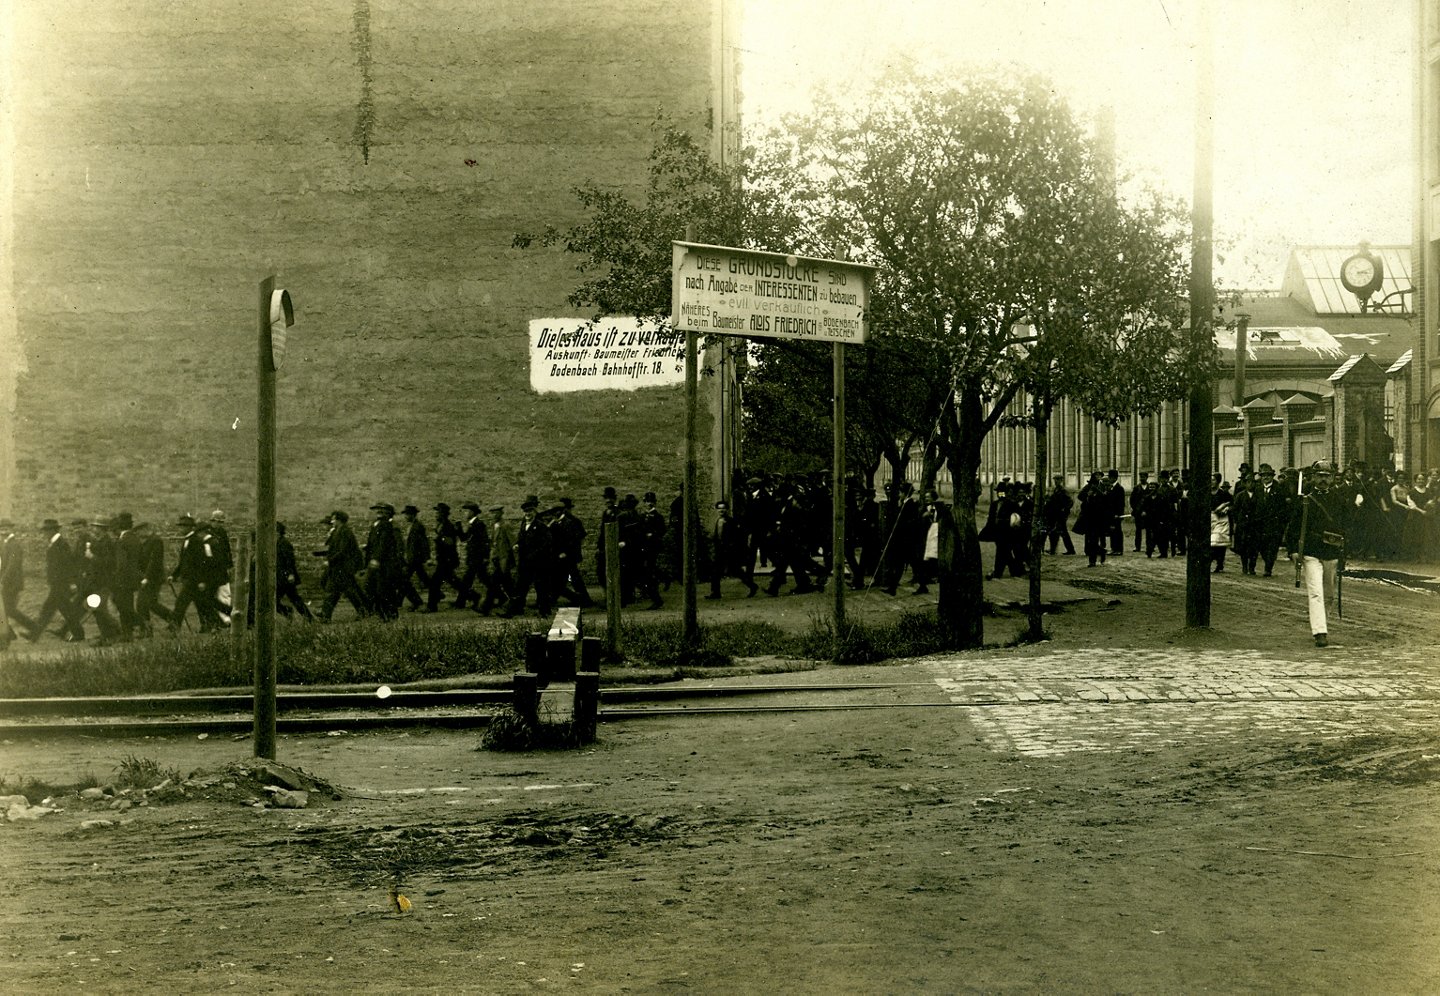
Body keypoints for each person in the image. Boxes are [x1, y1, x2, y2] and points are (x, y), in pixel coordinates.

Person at [1284, 460, 1356, 648]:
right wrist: (1292, 550)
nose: (1323, 479)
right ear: (1313, 477)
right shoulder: (1305, 500)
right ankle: (1320, 632)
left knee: (1329, 594)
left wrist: (1343, 554)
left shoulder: (1340, 500)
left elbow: (1347, 529)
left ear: (1332, 478)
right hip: (1310, 552)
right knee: (1315, 592)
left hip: (1332, 551)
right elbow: (1293, 527)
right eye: (1319, 476)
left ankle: (1322, 622)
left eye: (1327, 476)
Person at [29, 518, 85, 642]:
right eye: (44, 530)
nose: (44, 533)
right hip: (56, 583)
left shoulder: (61, 544)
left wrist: (71, 582)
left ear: (53, 531)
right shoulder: (54, 543)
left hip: (61, 583)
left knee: (63, 610)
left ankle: (79, 634)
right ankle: (34, 635)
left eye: (46, 530)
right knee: (49, 609)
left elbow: (68, 565)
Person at [170, 514, 223, 633]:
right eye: (180, 526)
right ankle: (211, 625)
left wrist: (202, 580)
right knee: (202, 604)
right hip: (189, 579)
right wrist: (174, 575)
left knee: (181, 603)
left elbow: (202, 563)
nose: (180, 529)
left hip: (194, 580)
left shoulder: (196, 541)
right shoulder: (186, 541)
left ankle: (174, 627)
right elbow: (183, 562)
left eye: (183, 527)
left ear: (190, 528)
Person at [314, 510, 369, 622]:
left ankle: (326, 615)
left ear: (339, 520)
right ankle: (326, 615)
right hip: (340, 567)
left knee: (341, 591)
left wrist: (330, 561)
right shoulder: (339, 531)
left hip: (344, 567)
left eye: (334, 519)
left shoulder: (345, 531)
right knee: (338, 590)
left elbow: (342, 551)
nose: (332, 521)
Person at [507, 496, 554, 617]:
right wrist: (517, 545)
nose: (527, 513)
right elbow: (521, 539)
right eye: (525, 511)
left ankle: (545, 611)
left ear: (534, 512)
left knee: (541, 587)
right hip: (525, 562)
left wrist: (535, 555)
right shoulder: (524, 525)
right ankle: (516, 609)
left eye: (530, 511)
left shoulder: (540, 526)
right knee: (521, 586)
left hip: (538, 562)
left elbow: (547, 543)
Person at [706, 498, 756, 598]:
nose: (721, 510)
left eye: (723, 508)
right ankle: (715, 592)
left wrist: (733, 547)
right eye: (719, 508)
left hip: (729, 551)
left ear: (727, 510)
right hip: (720, 550)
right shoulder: (717, 521)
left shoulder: (731, 522)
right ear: (716, 510)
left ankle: (752, 586)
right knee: (715, 571)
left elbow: (738, 536)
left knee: (736, 571)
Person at [549, 497, 593, 607]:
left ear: (562, 511)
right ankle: (555, 598)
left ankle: (584, 600)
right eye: (553, 511)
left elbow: (574, 540)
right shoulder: (555, 524)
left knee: (573, 578)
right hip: (560, 556)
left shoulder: (570, 522)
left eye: (557, 511)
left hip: (569, 556)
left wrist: (566, 552)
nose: (555, 513)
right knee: (561, 579)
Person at [362, 502, 403, 620]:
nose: (379, 512)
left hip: (384, 564)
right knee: (375, 589)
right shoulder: (376, 525)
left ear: (388, 513)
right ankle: (381, 614)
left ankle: (389, 614)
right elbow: (375, 543)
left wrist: (376, 559)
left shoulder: (386, 525)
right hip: (377, 563)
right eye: (377, 510)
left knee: (384, 590)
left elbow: (383, 543)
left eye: (382, 510)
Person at [0, 517, 37, 642]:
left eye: (6, 528)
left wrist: (2, 580)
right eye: (1, 528)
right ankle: (11, 634)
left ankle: (32, 627)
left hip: (12, 583)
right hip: (8, 582)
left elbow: (12, 565)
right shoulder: (5, 543)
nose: (3, 530)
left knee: (8, 609)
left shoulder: (14, 544)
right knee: (7, 609)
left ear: (11, 529)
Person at [426, 502, 461, 612]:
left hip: (447, 560)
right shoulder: (440, 525)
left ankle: (432, 607)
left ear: (443, 514)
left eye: (438, 512)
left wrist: (440, 538)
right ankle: (474, 596)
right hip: (443, 559)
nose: (436, 514)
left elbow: (450, 542)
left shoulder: (448, 526)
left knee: (434, 583)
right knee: (453, 581)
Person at [480, 505, 515, 615]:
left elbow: (512, 543)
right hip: (496, 560)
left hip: (504, 560)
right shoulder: (494, 526)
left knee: (498, 584)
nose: (494, 515)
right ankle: (516, 604)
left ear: (501, 513)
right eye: (492, 513)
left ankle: (486, 607)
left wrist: (510, 560)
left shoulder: (505, 526)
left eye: (496, 513)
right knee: (502, 585)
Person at [453, 501, 489, 610]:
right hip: (474, 558)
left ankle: (460, 603)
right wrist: (458, 527)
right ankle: (501, 596)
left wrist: (485, 557)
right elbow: (464, 538)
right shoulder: (472, 524)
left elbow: (484, 542)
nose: (464, 514)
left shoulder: (479, 524)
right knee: (485, 579)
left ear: (472, 512)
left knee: (467, 580)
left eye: (466, 511)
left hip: (477, 558)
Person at [275, 521, 312, 619]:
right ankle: (306, 617)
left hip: (285, 577)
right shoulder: (277, 543)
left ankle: (289, 612)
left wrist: (291, 574)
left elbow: (290, 560)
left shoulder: (284, 543)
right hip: (281, 577)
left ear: (277, 532)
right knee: (295, 599)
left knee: (274, 600)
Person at [397, 504, 431, 611]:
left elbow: (424, 543)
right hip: (412, 558)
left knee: (403, 580)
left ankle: (399, 602)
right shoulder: (411, 526)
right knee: (422, 578)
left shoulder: (418, 526)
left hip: (415, 558)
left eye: (407, 515)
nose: (405, 517)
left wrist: (427, 557)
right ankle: (437, 593)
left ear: (413, 515)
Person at [1042, 476, 1076, 555]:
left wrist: (1064, 510)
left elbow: (1070, 502)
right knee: (1057, 532)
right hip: (1054, 515)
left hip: (1060, 515)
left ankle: (1070, 550)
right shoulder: (1056, 490)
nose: (1056, 481)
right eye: (1055, 480)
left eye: (1057, 480)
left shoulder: (1063, 490)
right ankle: (1054, 549)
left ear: (1061, 480)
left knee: (1063, 532)